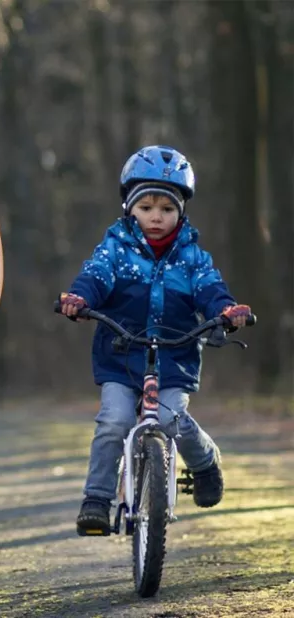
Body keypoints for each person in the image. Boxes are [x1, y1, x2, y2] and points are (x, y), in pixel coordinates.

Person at [58, 145, 252, 536]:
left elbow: (209, 289)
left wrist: (227, 310)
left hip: (174, 354)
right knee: (114, 421)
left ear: (180, 211)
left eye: (166, 208)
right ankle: (96, 499)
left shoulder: (192, 257)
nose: (156, 217)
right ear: (130, 208)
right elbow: (96, 277)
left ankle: (204, 462)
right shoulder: (114, 248)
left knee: (170, 419)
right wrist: (80, 298)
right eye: (146, 208)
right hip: (122, 353)